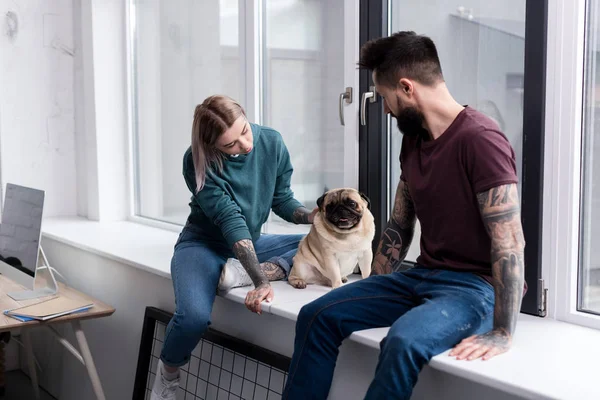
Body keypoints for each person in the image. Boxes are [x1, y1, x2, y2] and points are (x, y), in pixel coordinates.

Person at [282, 31, 526, 400]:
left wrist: (504, 331)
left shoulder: (481, 140)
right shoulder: (414, 140)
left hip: (474, 287)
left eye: (385, 97)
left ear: (407, 87)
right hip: (423, 275)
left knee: (403, 341)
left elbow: (509, 243)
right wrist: (370, 287)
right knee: (316, 315)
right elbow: (399, 225)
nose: (384, 109)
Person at [151, 95, 316, 400]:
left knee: (313, 244)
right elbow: (231, 222)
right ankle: (167, 377)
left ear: (244, 115)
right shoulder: (195, 161)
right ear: (214, 147)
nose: (245, 144)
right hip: (203, 245)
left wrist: (312, 216)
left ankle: (240, 272)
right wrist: (261, 281)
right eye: (231, 145)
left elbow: (281, 199)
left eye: (244, 130)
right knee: (193, 318)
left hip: (250, 247)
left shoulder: (271, 142)